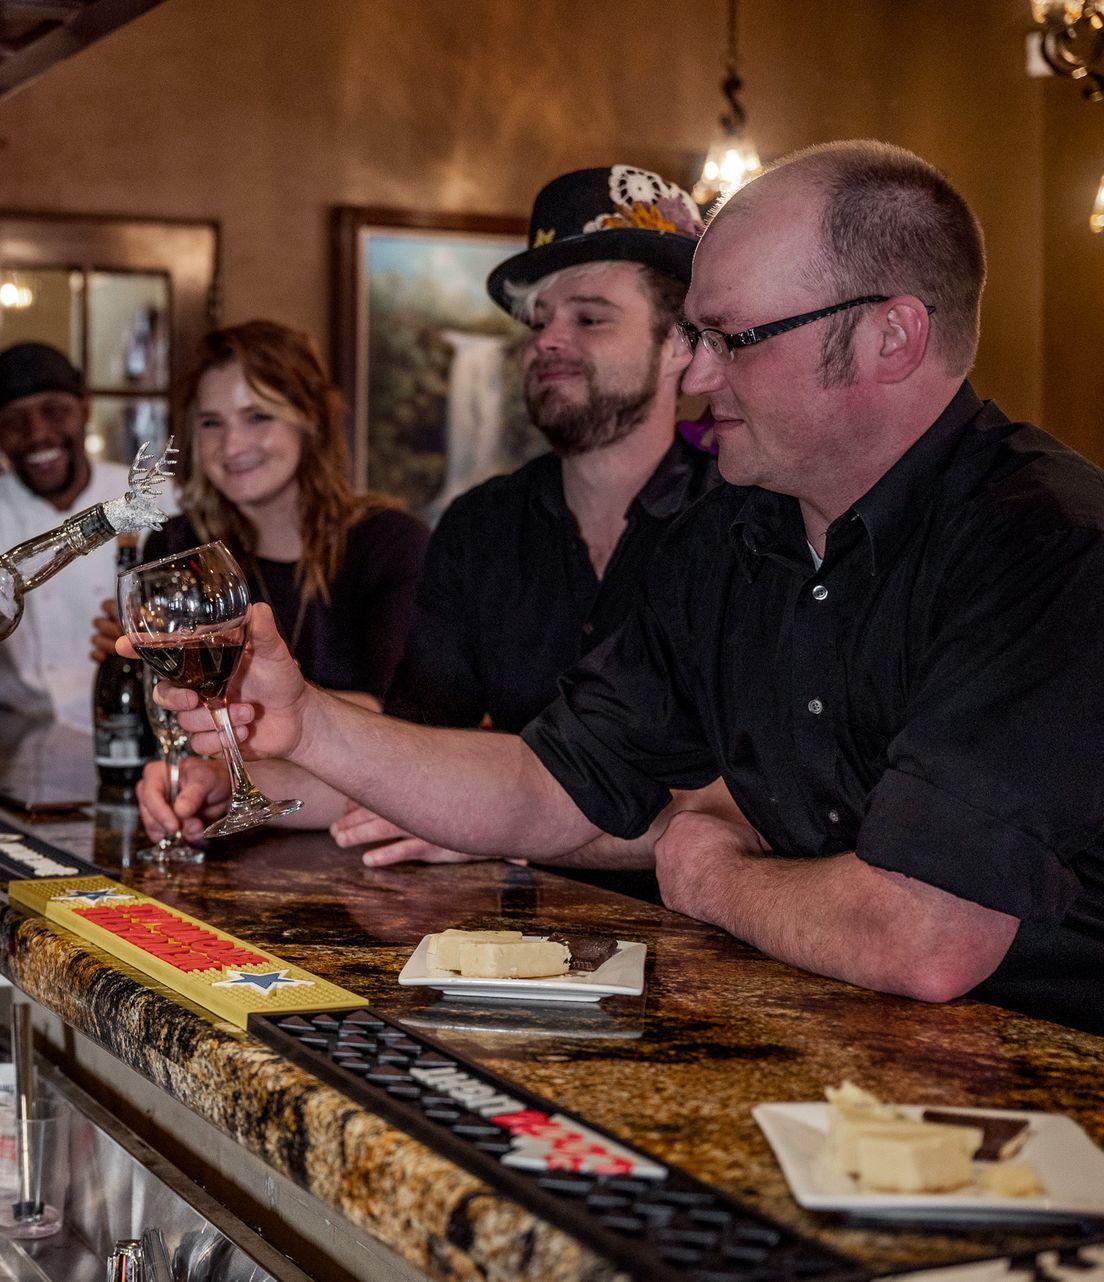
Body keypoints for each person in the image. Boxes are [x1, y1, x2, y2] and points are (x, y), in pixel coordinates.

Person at [139, 140, 1104, 1036]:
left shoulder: (1048, 545)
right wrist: (305, 723)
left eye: (734, 338)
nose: (697, 376)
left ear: (890, 337)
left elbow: (923, 937)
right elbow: (546, 785)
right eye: (699, 337)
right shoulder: (731, 533)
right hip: (831, 1045)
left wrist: (707, 870)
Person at [141, 171, 730, 888]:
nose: (548, 340)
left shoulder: (746, 524)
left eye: (590, 316)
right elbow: (410, 762)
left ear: (680, 346)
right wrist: (238, 790)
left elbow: (749, 816)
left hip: (708, 948)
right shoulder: (482, 525)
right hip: (504, 952)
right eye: (539, 319)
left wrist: (498, 833)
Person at [92, 320, 428, 705]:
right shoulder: (176, 547)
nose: (232, 446)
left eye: (258, 416)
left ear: (311, 419)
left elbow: (402, 715)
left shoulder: (391, 546)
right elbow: (166, 709)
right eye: (211, 423)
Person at [0, 341, 141, 731]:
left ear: (85, 410)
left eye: (55, 412)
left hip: (141, 726)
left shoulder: (144, 499)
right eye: (14, 421)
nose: (37, 433)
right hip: (14, 737)